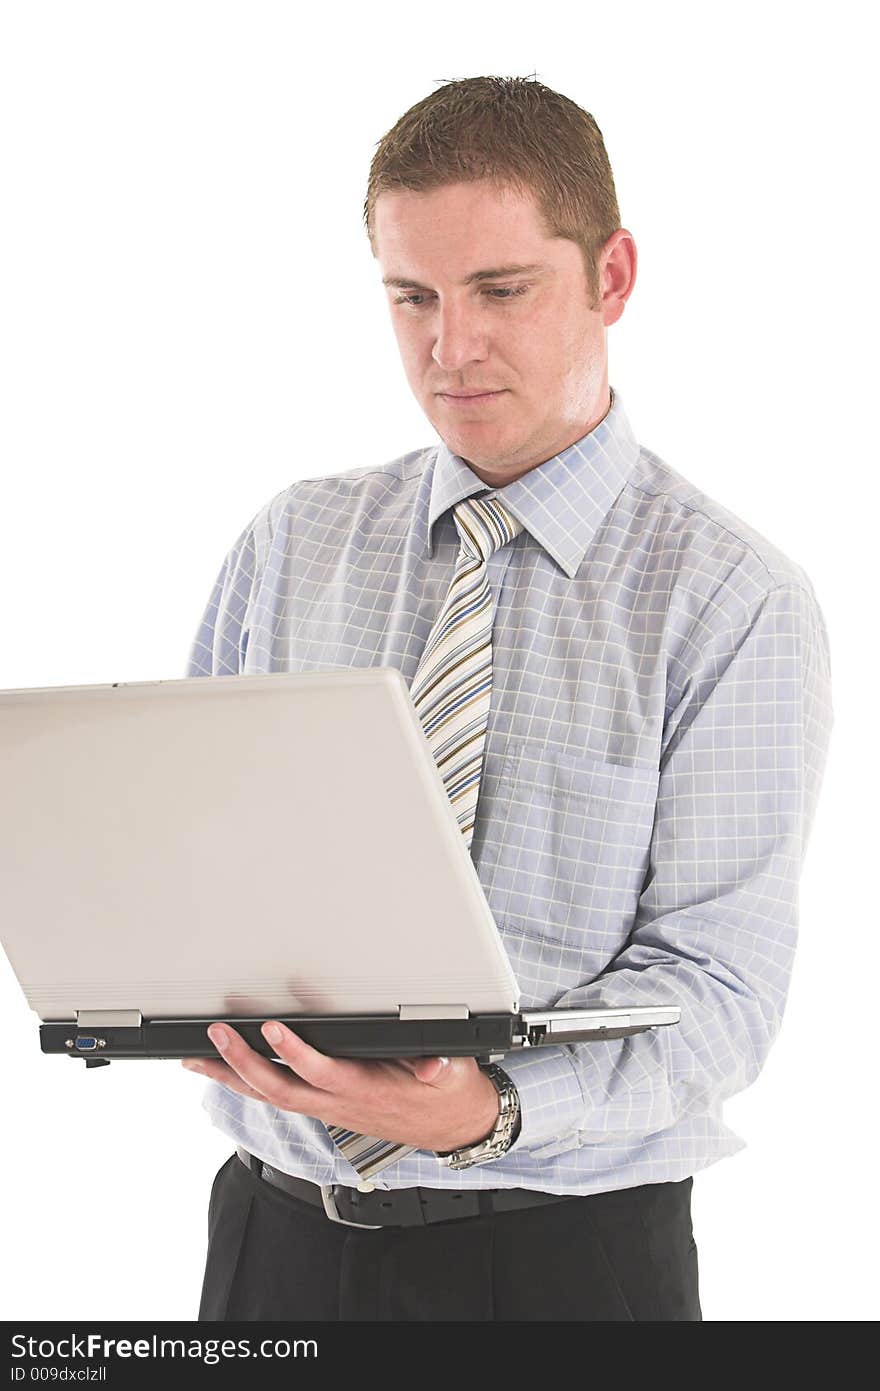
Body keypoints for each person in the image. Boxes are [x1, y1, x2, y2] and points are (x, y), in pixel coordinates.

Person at [182, 75, 833, 1322]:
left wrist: (490, 1104)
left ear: (613, 277)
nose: (449, 346)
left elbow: (720, 994)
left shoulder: (729, 599)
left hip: (557, 1259)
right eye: (410, 296)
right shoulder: (295, 541)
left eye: (500, 289)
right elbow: (202, 862)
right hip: (273, 1236)